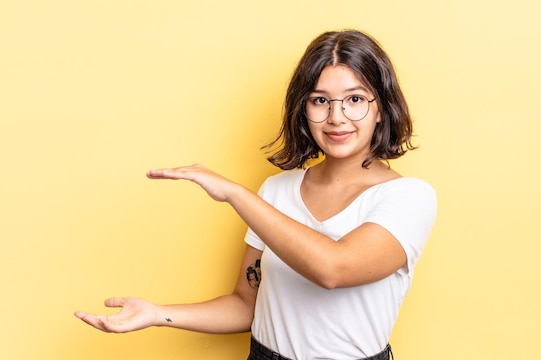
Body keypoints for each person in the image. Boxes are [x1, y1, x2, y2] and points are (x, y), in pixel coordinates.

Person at [75, 29, 437, 360]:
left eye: (355, 99)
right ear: (303, 110)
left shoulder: (408, 197)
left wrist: (236, 194)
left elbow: (333, 269)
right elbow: (245, 305)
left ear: (381, 109)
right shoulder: (277, 191)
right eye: (320, 101)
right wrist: (157, 314)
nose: (337, 117)